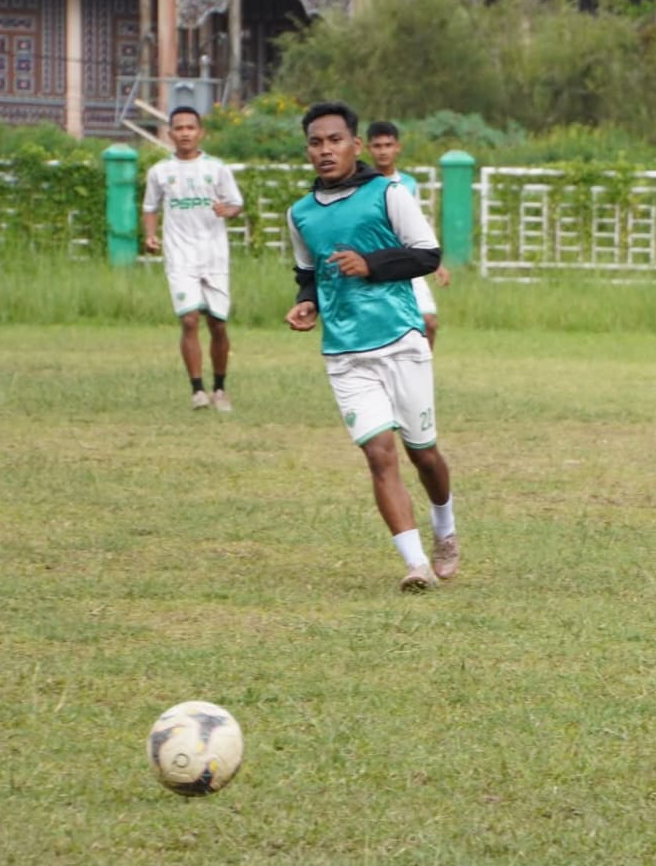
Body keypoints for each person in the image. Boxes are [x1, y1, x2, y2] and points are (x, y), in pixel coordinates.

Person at [284, 101, 461, 592]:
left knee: (422, 453)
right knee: (380, 455)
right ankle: (416, 565)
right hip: (344, 353)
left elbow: (428, 255)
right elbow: (308, 273)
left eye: (334, 140)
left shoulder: (388, 194)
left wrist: (371, 264)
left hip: (401, 341)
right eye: (316, 142)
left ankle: (445, 528)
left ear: (355, 145)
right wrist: (307, 303)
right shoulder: (299, 214)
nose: (325, 150)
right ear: (308, 150)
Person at [141, 105, 244, 411]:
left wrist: (228, 210)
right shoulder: (160, 171)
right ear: (170, 133)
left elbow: (236, 203)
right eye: (179, 128)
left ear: (200, 133)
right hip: (180, 255)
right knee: (189, 319)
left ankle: (220, 389)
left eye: (190, 128)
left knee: (218, 324)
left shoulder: (217, 168)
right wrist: (150, 235)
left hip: (214, 255)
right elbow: (150, 208)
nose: (185, 133)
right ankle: (198, 390)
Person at [366, 120, 451, 350]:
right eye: (377, 146)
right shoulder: (363, 183)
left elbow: (419, 223)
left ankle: (424, 376)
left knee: (429, 323)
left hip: (408, 260)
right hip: (375, 264)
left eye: (387, 145)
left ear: (397, 147)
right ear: (368, 149)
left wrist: (436, 261)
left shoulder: (409, 184)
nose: (383, 151)